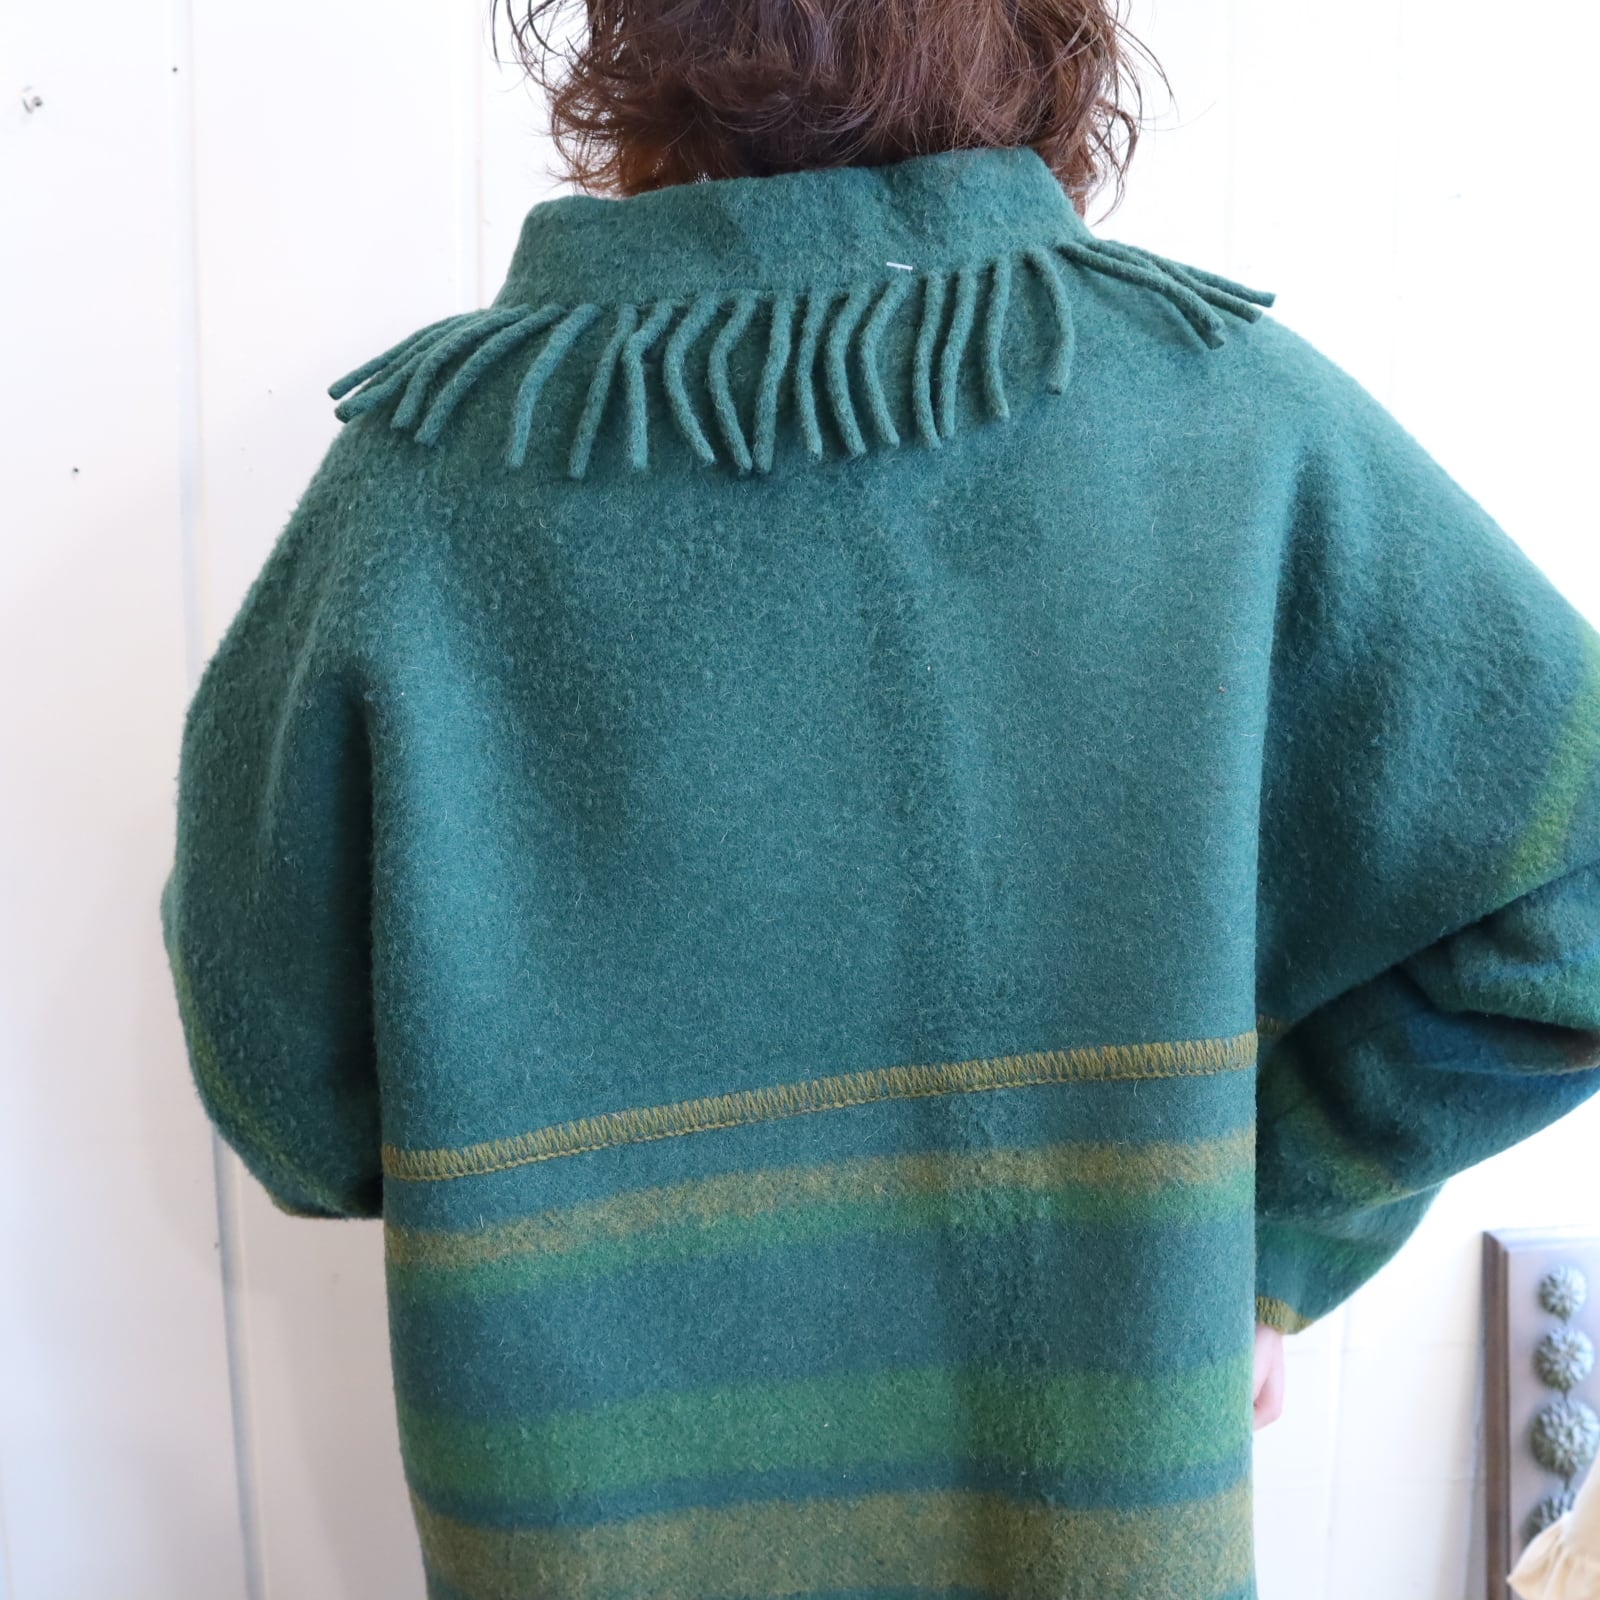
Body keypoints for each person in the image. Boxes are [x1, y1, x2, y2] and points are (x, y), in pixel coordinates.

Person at [159, 1, 1600, 1595]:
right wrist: (1270, 1229)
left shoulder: (416, 492)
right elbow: (1576, 907)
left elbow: (281, 1090)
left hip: (589, 1528)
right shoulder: (1232, 423)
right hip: (1099, 1516)